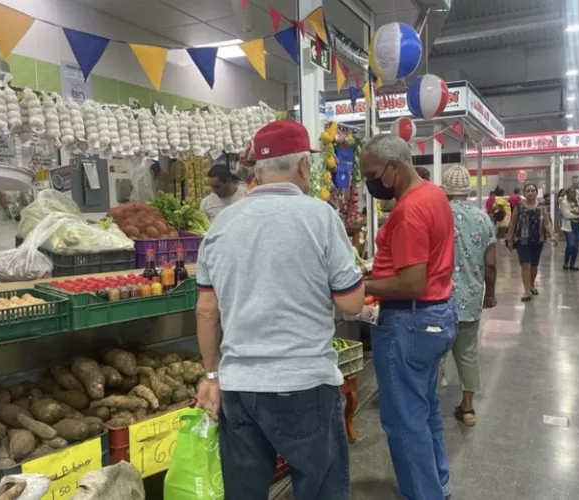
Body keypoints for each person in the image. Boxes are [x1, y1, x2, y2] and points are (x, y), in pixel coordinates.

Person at [195, 120, 364, 500]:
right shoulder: (320, 218)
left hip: (239, 386)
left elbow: (207, 311)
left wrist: (211, 375)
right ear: (304, 166)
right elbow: (352, 304)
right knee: (320, 488)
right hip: (304, 383)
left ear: (256, 169)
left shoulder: (221, 224)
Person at [359, 134, 456, 500]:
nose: (371, 184)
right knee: (425, 409)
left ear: (395, 167)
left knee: (404, 421)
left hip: (410, 321)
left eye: (372, 175)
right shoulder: (433, 193)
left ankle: (424, 493)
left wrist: (364, 284)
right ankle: (438, 484)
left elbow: (413, 282)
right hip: (436, 315)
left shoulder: (409, 210)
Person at [443, 165, 497, 427]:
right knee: (467, 353)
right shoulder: (482, 218)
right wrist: (491, 294)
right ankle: (467, 410)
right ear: (468, 189)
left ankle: (429, 406)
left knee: (434, 356)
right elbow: (490, 263)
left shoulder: (438, 215)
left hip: (439, 299)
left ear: (445, 189)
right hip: (472, 298)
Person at [507, 183, 558, 301]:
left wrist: (552, 234)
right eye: (528, 191)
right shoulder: (519, 207)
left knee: (534, 266)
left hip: (538, 240)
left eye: (532, 190)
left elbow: (547, 223)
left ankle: (531, 284)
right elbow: (513, 224)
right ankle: (526, 291)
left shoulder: (542, 207)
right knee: (525, 265)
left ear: (536, 192)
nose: (530, 193)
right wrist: (509, 239)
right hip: (522, 241)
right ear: (524, 193)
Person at [560, 186, 579, 271]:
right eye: (571, 192)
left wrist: (578, 212)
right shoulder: (564, 202)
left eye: (574, 192)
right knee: (571, 245)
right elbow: (567, 215)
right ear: (567, 193)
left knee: (576, 247)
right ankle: (566, 263)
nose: (574, 194)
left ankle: (572, 264)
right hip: (569, 227)